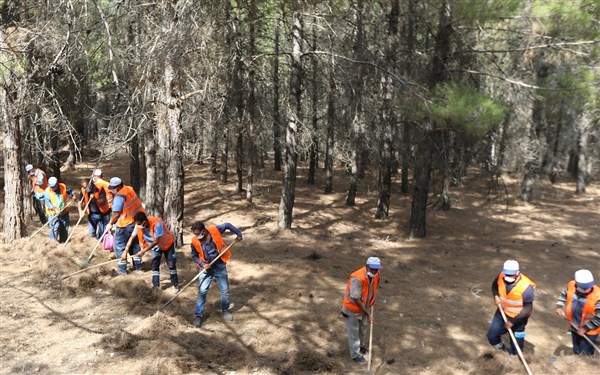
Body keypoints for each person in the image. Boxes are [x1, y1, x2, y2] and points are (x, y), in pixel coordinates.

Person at [190, 221, 243, 328]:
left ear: (203, 231)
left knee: (225, 290)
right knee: (202, 291)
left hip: (220, 266)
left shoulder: (215, 230)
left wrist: (238, 234)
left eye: (197, 233)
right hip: (206, 269)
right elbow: (194, 256)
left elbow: (228, 225)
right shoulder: (194, 242)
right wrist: (202, 264)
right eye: (194, 234)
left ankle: (225, 309)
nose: (196, 236)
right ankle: (198, 315)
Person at [487, 260, 536, 355]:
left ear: (517, 273)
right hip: (502, 313)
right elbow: (494, 286)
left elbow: (527, 308)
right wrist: (496, 296)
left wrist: (512, 321)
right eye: (506, 274)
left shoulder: (526, 287)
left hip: (519, 319)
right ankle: (501, 349)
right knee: (492, 336)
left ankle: (514, 355)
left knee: (517, 345)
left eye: (511, 275)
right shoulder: (501, 275)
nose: (507, 277)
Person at [123, 212, 179, 292]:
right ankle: (156, 287)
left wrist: (143, 251)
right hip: (156, 247)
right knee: (155, 265)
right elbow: (131, 238)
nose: (138, 226)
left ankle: (175, 284)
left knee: (171, 264)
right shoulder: (138, 226)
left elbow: (156, 241)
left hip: (167, 244)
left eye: (139, 224)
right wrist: (125, 251)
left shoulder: (157, 223)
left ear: (144, 222)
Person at [341, 257, 382, 365]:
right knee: (354, 332)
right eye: (373, 269)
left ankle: (361, 347)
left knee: (363, 328)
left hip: (364, 307)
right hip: (352, 309)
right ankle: (355, 355)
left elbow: (374, 286)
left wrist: (372, 300)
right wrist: (368, 314)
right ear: (367, 266)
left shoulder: (376, 274)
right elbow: (356, 299)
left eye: (376, 269)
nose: (375, 271)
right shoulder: (357, 278)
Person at [555, 269, 600, 355]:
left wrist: (585, 329)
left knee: (585, 353)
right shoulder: (571, 285)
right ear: (577, 285)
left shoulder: (598, 296)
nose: (586, 291)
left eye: (588, 288)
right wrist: (559, 306)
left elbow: (599, 317)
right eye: (583, 289)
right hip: (574, 325)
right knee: (576, 347)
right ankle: (576, 355)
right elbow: (564, 295)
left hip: (590, 330)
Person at [105, 177, 145, 274]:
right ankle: (138, 266)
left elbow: (116, 214)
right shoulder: (129, 189)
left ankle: (122, 270)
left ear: (119, 186)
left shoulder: (119, 196)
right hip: (137, 223)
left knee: (119, 246)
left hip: (125, 225)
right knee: (135, 245)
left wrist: (110, 224)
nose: (112, 189)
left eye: (114, 187)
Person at [44, 176, 75, 243]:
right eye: (51, 187)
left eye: (54, 186)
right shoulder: (47, 191)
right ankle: (52, 243)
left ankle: (63, 242)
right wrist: (54, 209)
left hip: (64, 211)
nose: (53, 188)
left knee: (64, 227)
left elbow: (69, 191)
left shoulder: (63, 186)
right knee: (55, 226)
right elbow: (47, 202)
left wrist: (73, 194)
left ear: (57, 183)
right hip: (52, 213)